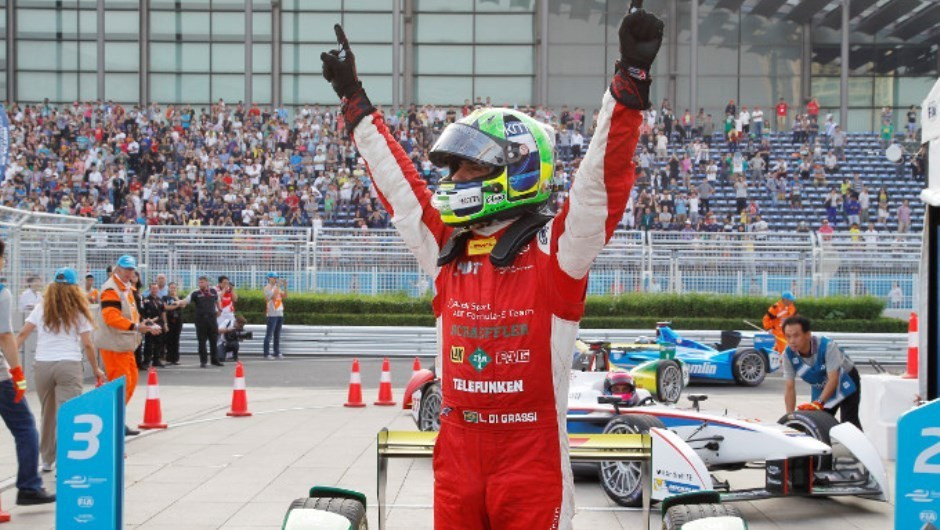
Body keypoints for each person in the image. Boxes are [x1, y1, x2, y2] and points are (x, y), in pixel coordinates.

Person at [319, 5, 663, 527]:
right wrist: (354, 104)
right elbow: (400, 187)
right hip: (457, 453)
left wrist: (629, 85)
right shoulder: (444, 245)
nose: (455, 176)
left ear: (519, 167)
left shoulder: (557, 250)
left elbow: (600, 180)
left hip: (532, 460)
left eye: (470, 165)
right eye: (455, 165)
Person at [16, 267, 105, 473]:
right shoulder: (79, 310)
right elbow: (88, 344)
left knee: (47, 413)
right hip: (69, 364)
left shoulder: (41, 308)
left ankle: (47, 460)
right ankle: (65, 461)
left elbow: (22, 334)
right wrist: (96, 368)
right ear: (74, 288)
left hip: (43, 365)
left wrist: (13, 362)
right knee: (68, 413)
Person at [0, 240, 56, 505]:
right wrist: (18, 374)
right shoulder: (2, 292)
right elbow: (5, 337)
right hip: (0, 378)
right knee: (25, 427)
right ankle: (29, 487)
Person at [94, 255, 162, 436]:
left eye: (131, 269)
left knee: (130, 382)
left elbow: (131, 314)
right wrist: (136, 327)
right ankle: (111, 422)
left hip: (126, 343)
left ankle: (116, 419)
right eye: (125, 269)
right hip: (115, 344)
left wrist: (144, 323)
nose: (129, 272)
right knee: (121, 385)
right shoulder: (111, 289)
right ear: (117, 269)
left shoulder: (127, 289)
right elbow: (111, 317)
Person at [781, 315, 861, 430]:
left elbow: (833, 379)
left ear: (808, 334)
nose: (791, 341)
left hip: (845, 380)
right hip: (821, 384)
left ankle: (858, 447)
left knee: (849, 422)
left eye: (796, 336)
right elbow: (789, 387)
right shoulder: (788, 354)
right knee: (818, 422)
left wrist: (819, 402)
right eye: (788, 336)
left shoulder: (827, 346)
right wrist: (789, 417)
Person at [179, 276, 223, 367]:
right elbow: (186, 300)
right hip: (201, 320)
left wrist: (219, 309)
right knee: (202, 341)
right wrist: (178, 302)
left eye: (202, 282)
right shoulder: (195, 293)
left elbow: (218, 301)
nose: (200, 284)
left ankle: (215, 360)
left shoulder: (213, 291)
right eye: (199, 282)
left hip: (212, 319)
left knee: (213, 340)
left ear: (207, 282)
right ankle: (203, 361)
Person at [140, 282, 167, 368]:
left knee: (159, 343)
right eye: (152, 288)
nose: (154, 290)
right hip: (149, 324)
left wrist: (165, 323)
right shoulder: (146, 300)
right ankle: (146, 361)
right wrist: (147, 321)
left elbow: (163, 312)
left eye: (156, 288)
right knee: (149, 343)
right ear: (150, 289)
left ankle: (156, 360)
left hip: (159, 323)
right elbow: (142, 313)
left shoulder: (160, 300)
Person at [263, 272, 287, 360]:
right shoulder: (267, 288)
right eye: (274, 277)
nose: (275, 279)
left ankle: (277, 352)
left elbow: (285, 296)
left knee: (277, 334)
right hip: (272, 314)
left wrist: (285, 286)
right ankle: (266, 353)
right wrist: (278, 286)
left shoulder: (277, 288)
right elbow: (273, 297)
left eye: (276, 277)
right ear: (269, 278)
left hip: (279, 313)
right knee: (269, 334)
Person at [162, 282, 184, 366]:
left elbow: (182, 305)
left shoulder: (180, 297)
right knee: (168, 340)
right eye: (171, 288)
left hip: (178, 320)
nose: (173, 290)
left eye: (174, 288)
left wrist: (176, 298)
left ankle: (175, 358)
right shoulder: (165, 297)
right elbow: (165, 307)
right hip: (169, 320)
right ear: (168, 288)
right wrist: (175, 306)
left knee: (176, 339)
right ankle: (169, 358)